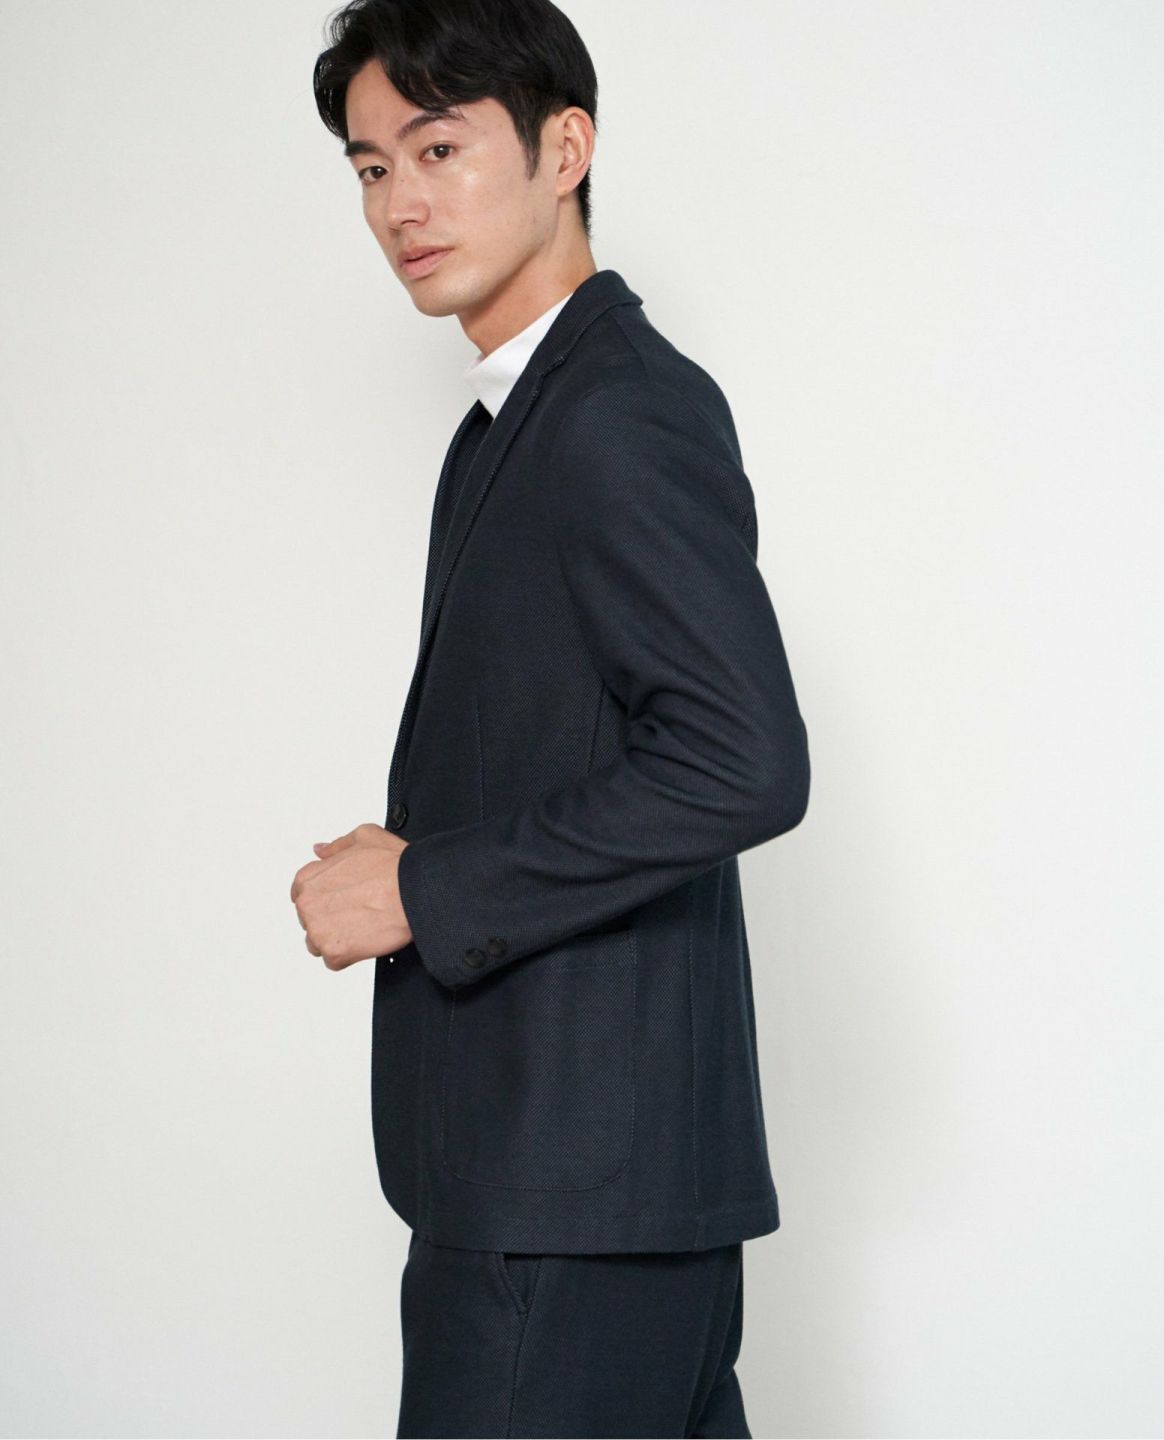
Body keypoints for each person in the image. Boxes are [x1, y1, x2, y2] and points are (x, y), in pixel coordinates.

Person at [293, 1, 811, 1433]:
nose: (399, 205)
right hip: (577, 1188)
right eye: (370, 168)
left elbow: (743, 760)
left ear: (564, 148)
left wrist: (425, 888)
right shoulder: (515, 423)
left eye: (438, 149)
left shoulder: (614, 413)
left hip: (566, 1204)